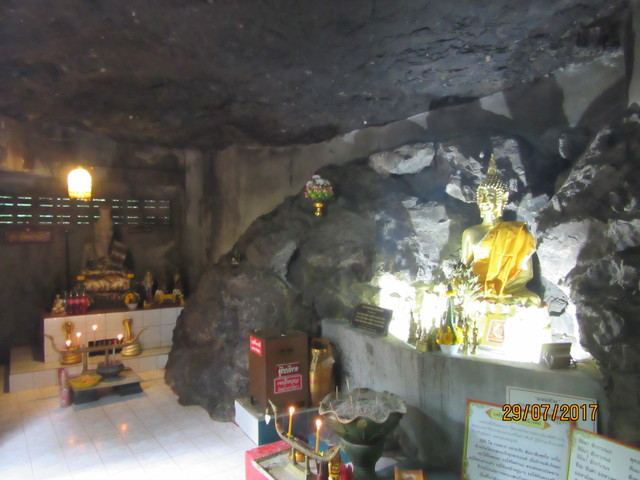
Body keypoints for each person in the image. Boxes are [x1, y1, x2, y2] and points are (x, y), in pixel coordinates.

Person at [461, 156, 540, 307]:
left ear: (502, 199)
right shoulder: (471, 233)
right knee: (471, 301)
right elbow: (463, 270)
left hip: (510, 289)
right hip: (479, 290)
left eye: (489, 197)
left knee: (533, 299)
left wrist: (505, 289)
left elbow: (526, 272)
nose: (484, 202)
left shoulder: (518, 232)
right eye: (481, 197)